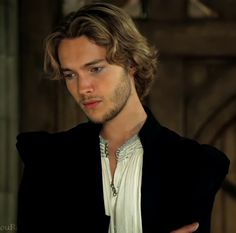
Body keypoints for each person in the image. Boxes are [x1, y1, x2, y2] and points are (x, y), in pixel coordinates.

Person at [16, 2, 230, 233]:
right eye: (70, 75)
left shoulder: (194, 166)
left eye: (95, 69)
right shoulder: (46, 161)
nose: (82, 87)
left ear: (132, 64)